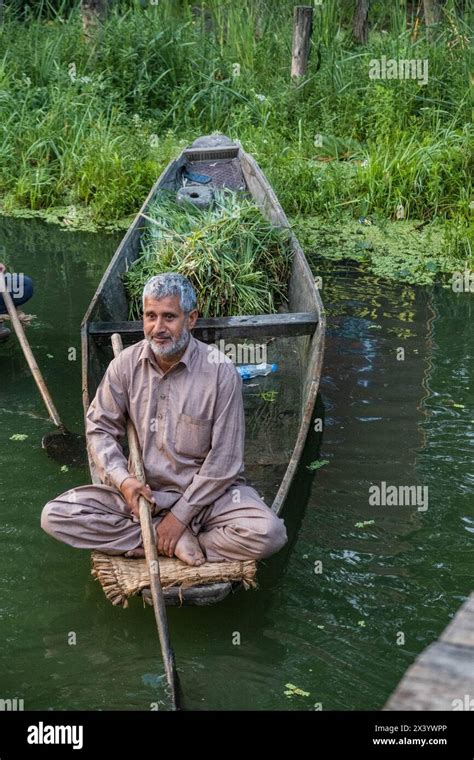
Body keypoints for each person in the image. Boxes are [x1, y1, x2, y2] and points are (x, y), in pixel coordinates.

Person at [41, 273, 287, 566]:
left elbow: (225, 462)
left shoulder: (221, 373)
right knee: (55, 515)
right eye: (150, 316)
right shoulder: (124, 366)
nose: (158, 328)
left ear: (191, 319)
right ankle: (165, 538)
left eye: (169, 317)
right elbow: (100, 430)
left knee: (269, 533)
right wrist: (124, 481)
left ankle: (167, 538)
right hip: (142, 497)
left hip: (208, 500)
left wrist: (180, 516)